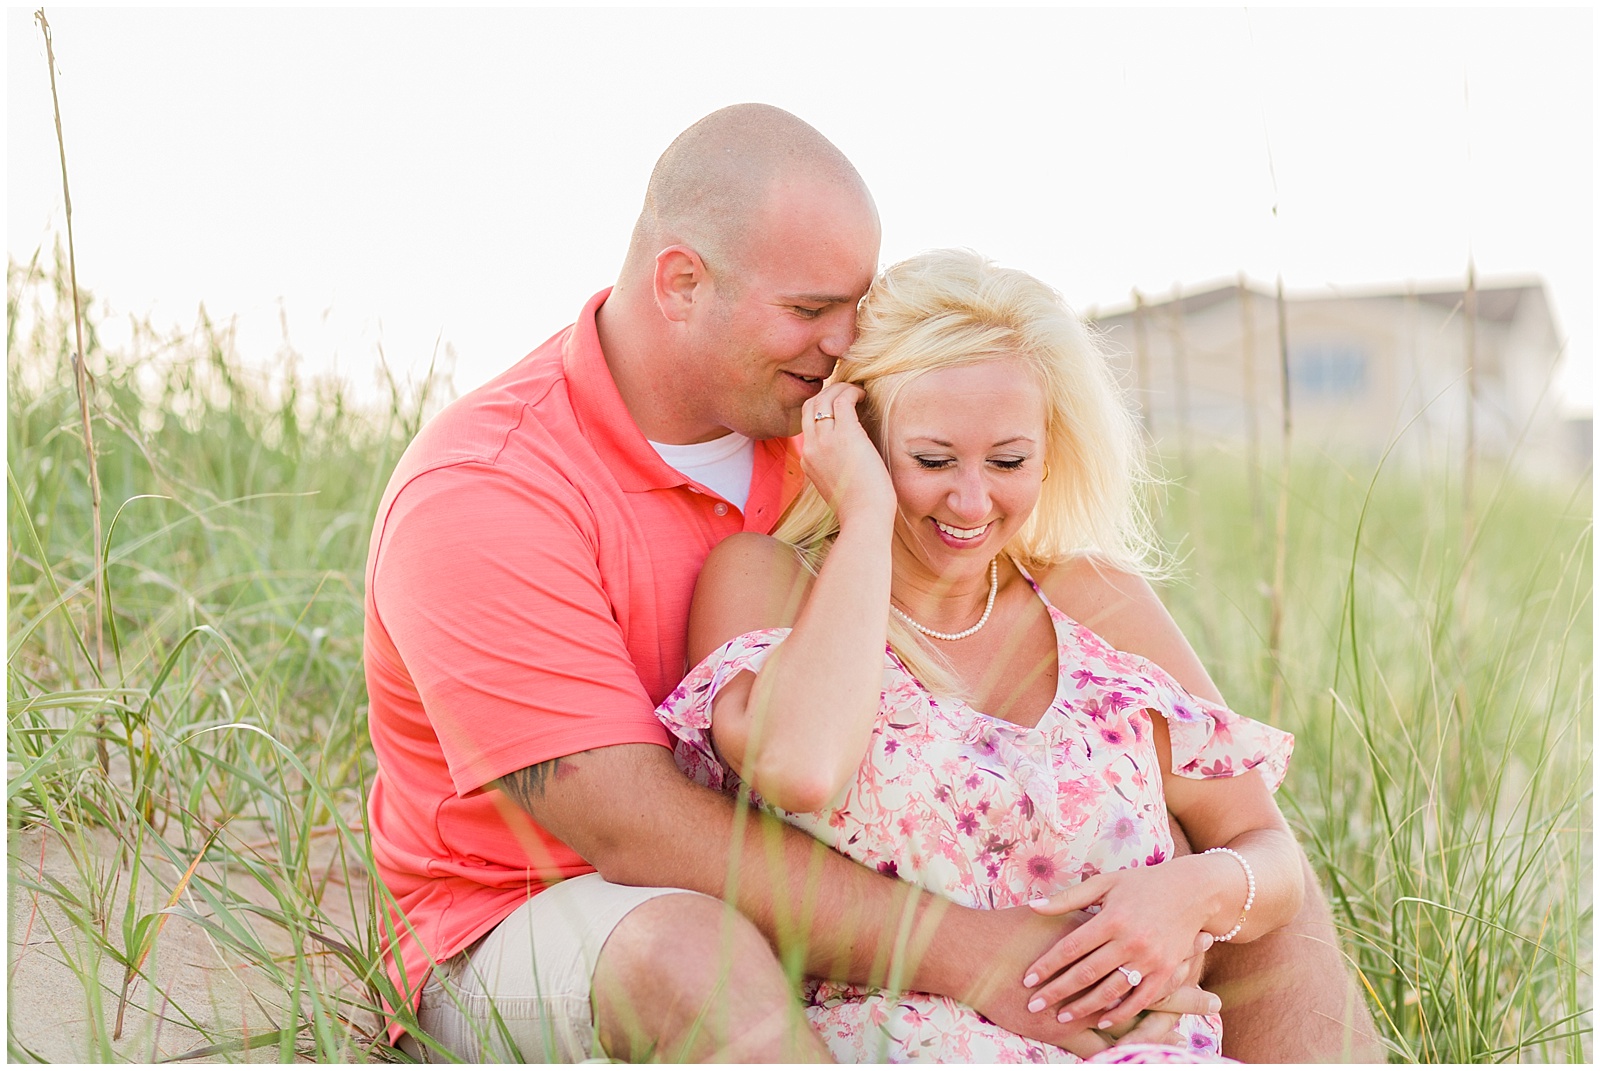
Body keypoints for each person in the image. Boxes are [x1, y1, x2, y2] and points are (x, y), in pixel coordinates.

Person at [363, 103, 1381, 1062]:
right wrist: (975, 953)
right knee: (692, 950)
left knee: (1267, 913)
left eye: (857, 306)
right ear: (680, 282)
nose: (846, 343)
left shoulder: (828, 421)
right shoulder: (491, 492)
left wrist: (1182, 895)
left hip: (835, 888)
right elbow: (631, 827)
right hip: (540, 914)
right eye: (810, 309)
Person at [657, 248, 1303, 1062]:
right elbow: (800, 765)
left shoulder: (1096, 597)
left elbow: (1268, 849)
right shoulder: (768, 582)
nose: (970, 501)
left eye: (1008, 461)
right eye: (931, 461)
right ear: (859, 432)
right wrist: (862, 513)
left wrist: (1193, 891)